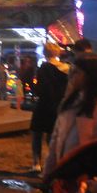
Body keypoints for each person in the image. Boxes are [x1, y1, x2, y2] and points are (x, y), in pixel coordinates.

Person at [43, 55, 97, 175]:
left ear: (92, 75)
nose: (71, 75)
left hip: (91, 171)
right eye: (71, 71)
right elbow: (56, 138)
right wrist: (49, 171)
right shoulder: (70, 101)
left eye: (77, 72)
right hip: (65, 168)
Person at [29, 43, 70, 173]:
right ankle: (53, 162)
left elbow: (40, 88)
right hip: (59, 105)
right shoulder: (67, 68)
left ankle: (36, 163)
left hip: (44, 104)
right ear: (57, 53)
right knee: (52, 135)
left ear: (45, 53)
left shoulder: (44, 68)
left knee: (37, 133)